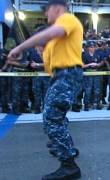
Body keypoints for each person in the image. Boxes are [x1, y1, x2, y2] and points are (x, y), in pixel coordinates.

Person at [8, 0, 83, 179]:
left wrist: (20, 47)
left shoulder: (67, 19)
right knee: (55, 117)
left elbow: (53, 33)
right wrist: (21, 63)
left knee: (52, 118)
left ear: (57, 8)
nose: (46, 15)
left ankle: (69, 165)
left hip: (67, 74)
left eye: (47, 11)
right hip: (62, 75)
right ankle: (66, 149)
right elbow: (48, 66)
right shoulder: (58, 42)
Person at [82, 42, 104, 111]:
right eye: (91, 47)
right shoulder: (84, 55)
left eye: (94, 47)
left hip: (96, 72)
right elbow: (82, 65)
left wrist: (98, 64)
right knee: (88, 90)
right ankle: (87, 105)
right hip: (88, 73)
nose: (92, 48)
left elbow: (102, 61)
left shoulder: (97, 54)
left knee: (97, 89)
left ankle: (97, 104)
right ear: (88, 48)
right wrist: (89, 64)